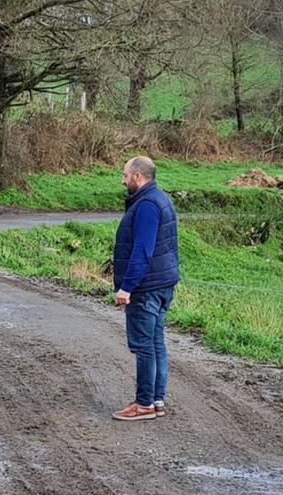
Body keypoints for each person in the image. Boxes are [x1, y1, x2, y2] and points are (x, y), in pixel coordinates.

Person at [112, 156, 180, 421]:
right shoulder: (160, 198)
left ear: (138, 176)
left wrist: (127, 287)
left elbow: (142, 249)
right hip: (161, 283)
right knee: (155, 343)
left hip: (147, 287)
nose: (123, 179)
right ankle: (156, 400)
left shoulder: (147, 205)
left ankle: (143, 405)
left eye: (125, 174)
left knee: (144, 346)